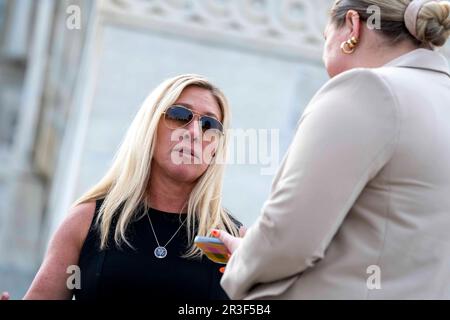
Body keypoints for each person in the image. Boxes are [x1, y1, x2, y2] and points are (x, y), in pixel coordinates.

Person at [214, 0, 450, 299]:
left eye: (326, 40)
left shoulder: (368, 89)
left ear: (352, 26)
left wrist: (244, 259)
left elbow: (289, 240)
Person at [1, 74, 242, 300]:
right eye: (179, 115)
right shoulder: (88, 220)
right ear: (149, 127)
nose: (194, 132)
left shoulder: (235, 241)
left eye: (209, 124)